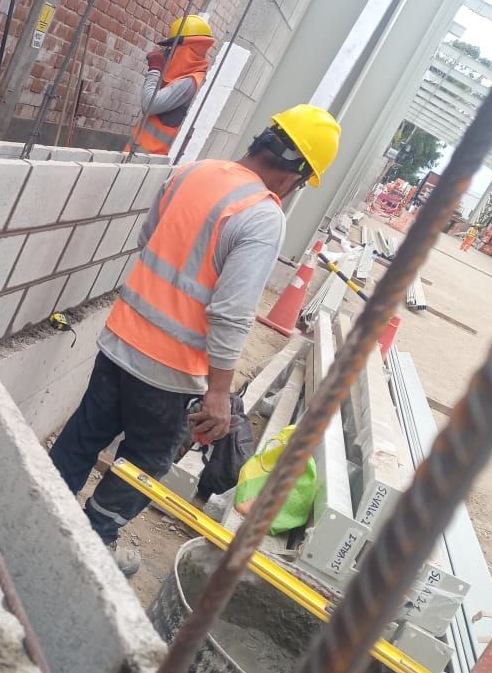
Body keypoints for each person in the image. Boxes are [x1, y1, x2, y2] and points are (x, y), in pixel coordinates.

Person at [51, 105, 341, 575]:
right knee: (143, 464)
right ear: (297, 174)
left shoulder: (194, 172)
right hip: (171, 374)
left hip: (120, 339)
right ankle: (90, 546)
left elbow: (149, 238)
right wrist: (220, 393)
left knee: (85, 434)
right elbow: (230, 314)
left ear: (263, 141)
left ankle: (38, 508)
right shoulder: (262, 216)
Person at [125, 14, 215, 157]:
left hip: (148, 160)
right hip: (137, 155)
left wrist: (155, 69)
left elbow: (149, 104)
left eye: (171, 48)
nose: (167, 53)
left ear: (185, 49)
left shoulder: (188, 82)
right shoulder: (182, 77)